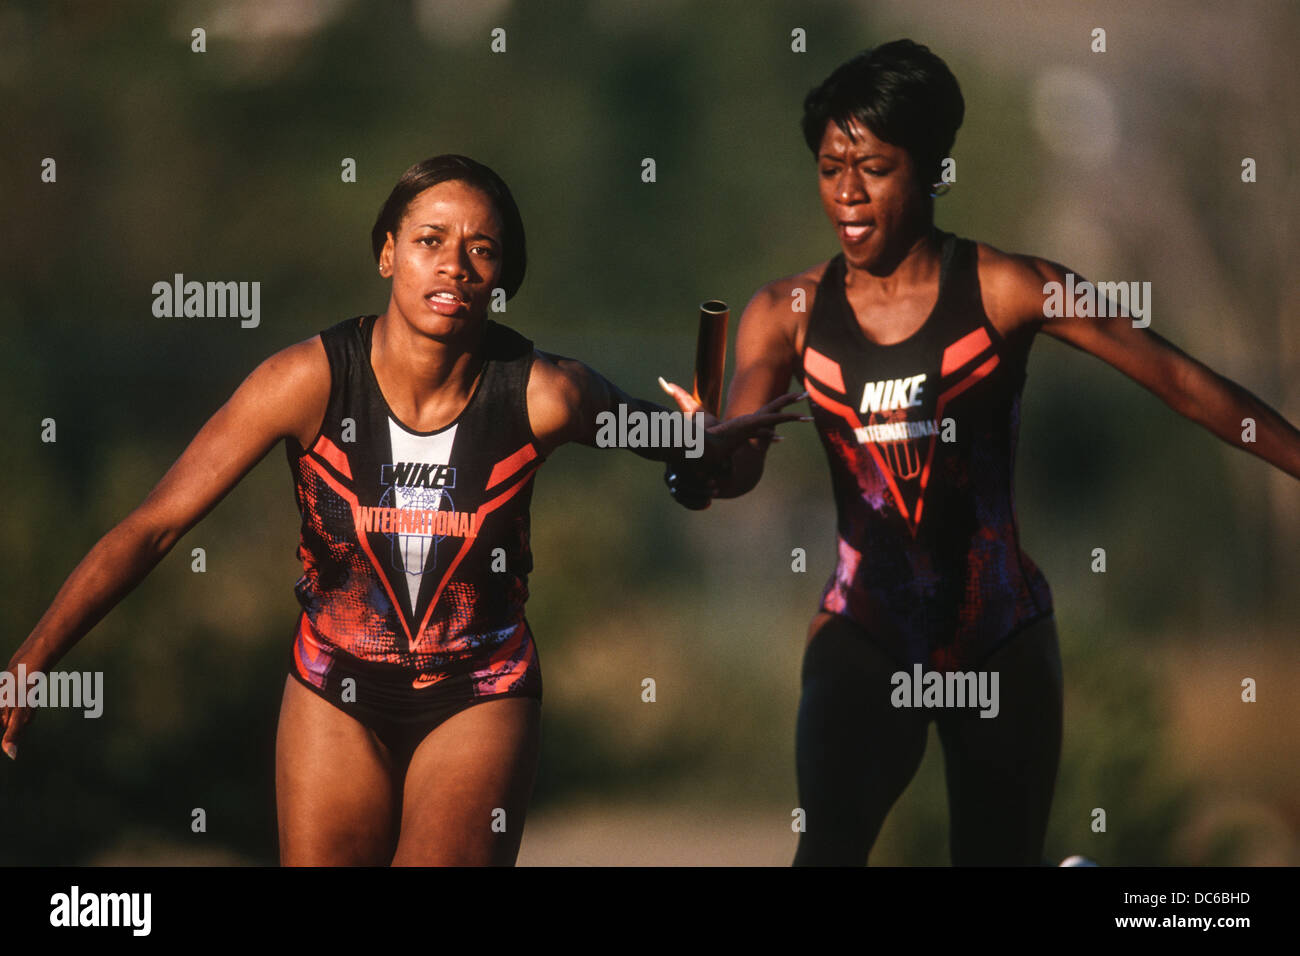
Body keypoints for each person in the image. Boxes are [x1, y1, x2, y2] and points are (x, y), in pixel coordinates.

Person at [2, 154, 804, 866]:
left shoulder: (547, 393)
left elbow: (686, 451)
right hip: (331, 687)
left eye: (480, 251)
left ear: (503, 282)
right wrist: (32, 660)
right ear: (387, 254)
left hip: (479, 690)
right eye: (429, 240)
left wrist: (702, 451)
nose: (453, 265)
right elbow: (155, 525)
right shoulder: (305, 380)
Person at [660, 40, 1300, 865]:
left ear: (930, 172)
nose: (847, 193)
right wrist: (692, 462)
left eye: (875, 168)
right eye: (829, 168)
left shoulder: (1010, 289)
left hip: (1000, 633)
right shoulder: (783, 312)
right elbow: (732, 465)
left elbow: (1181, 380)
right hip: (865, 629)